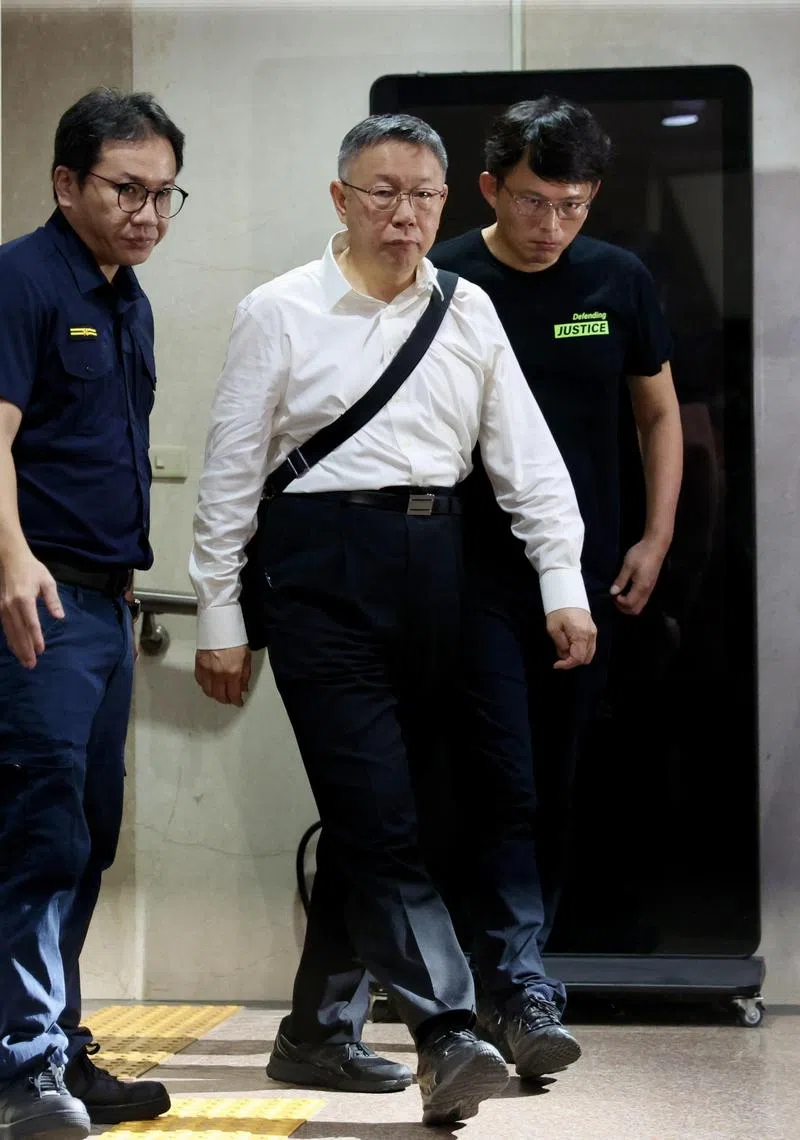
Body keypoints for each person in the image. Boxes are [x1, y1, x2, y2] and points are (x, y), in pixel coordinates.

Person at [188, 113, 596, 1126]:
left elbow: (528, 462)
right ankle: (447, 1033)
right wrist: (217, 614)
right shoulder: (277, 310)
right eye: (381, 191)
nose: (403, 212)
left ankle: (317, 1035)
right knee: (378, 812)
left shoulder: (468, 311)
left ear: (446, 202)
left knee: (401, 816)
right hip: (319, 577)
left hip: (442, 570)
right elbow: (232, 473)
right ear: (341, 199)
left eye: (421, 194)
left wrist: (562, 583)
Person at [431, 96, 682, 1076]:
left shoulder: (616, 279)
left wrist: (657, 538)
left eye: (573, 206)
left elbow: (661, 415)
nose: (552, 226)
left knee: (558, 778)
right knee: (499, 775)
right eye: (534, 202)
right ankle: (509, 985)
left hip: (586, 575)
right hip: (469, 570)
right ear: (493, 186)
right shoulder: (446, 274)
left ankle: (520, 974)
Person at [0, 88, 185, 1140]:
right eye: (128, 189)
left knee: (87, 837)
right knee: (36, 832)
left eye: (165, 194)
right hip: (41, 598)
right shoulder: (19, 279)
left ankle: (58, 1049)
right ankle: (21, 1068)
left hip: (106, 609)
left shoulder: (128, 299)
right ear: (67, 182)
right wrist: (14, 558)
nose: (148, 212)